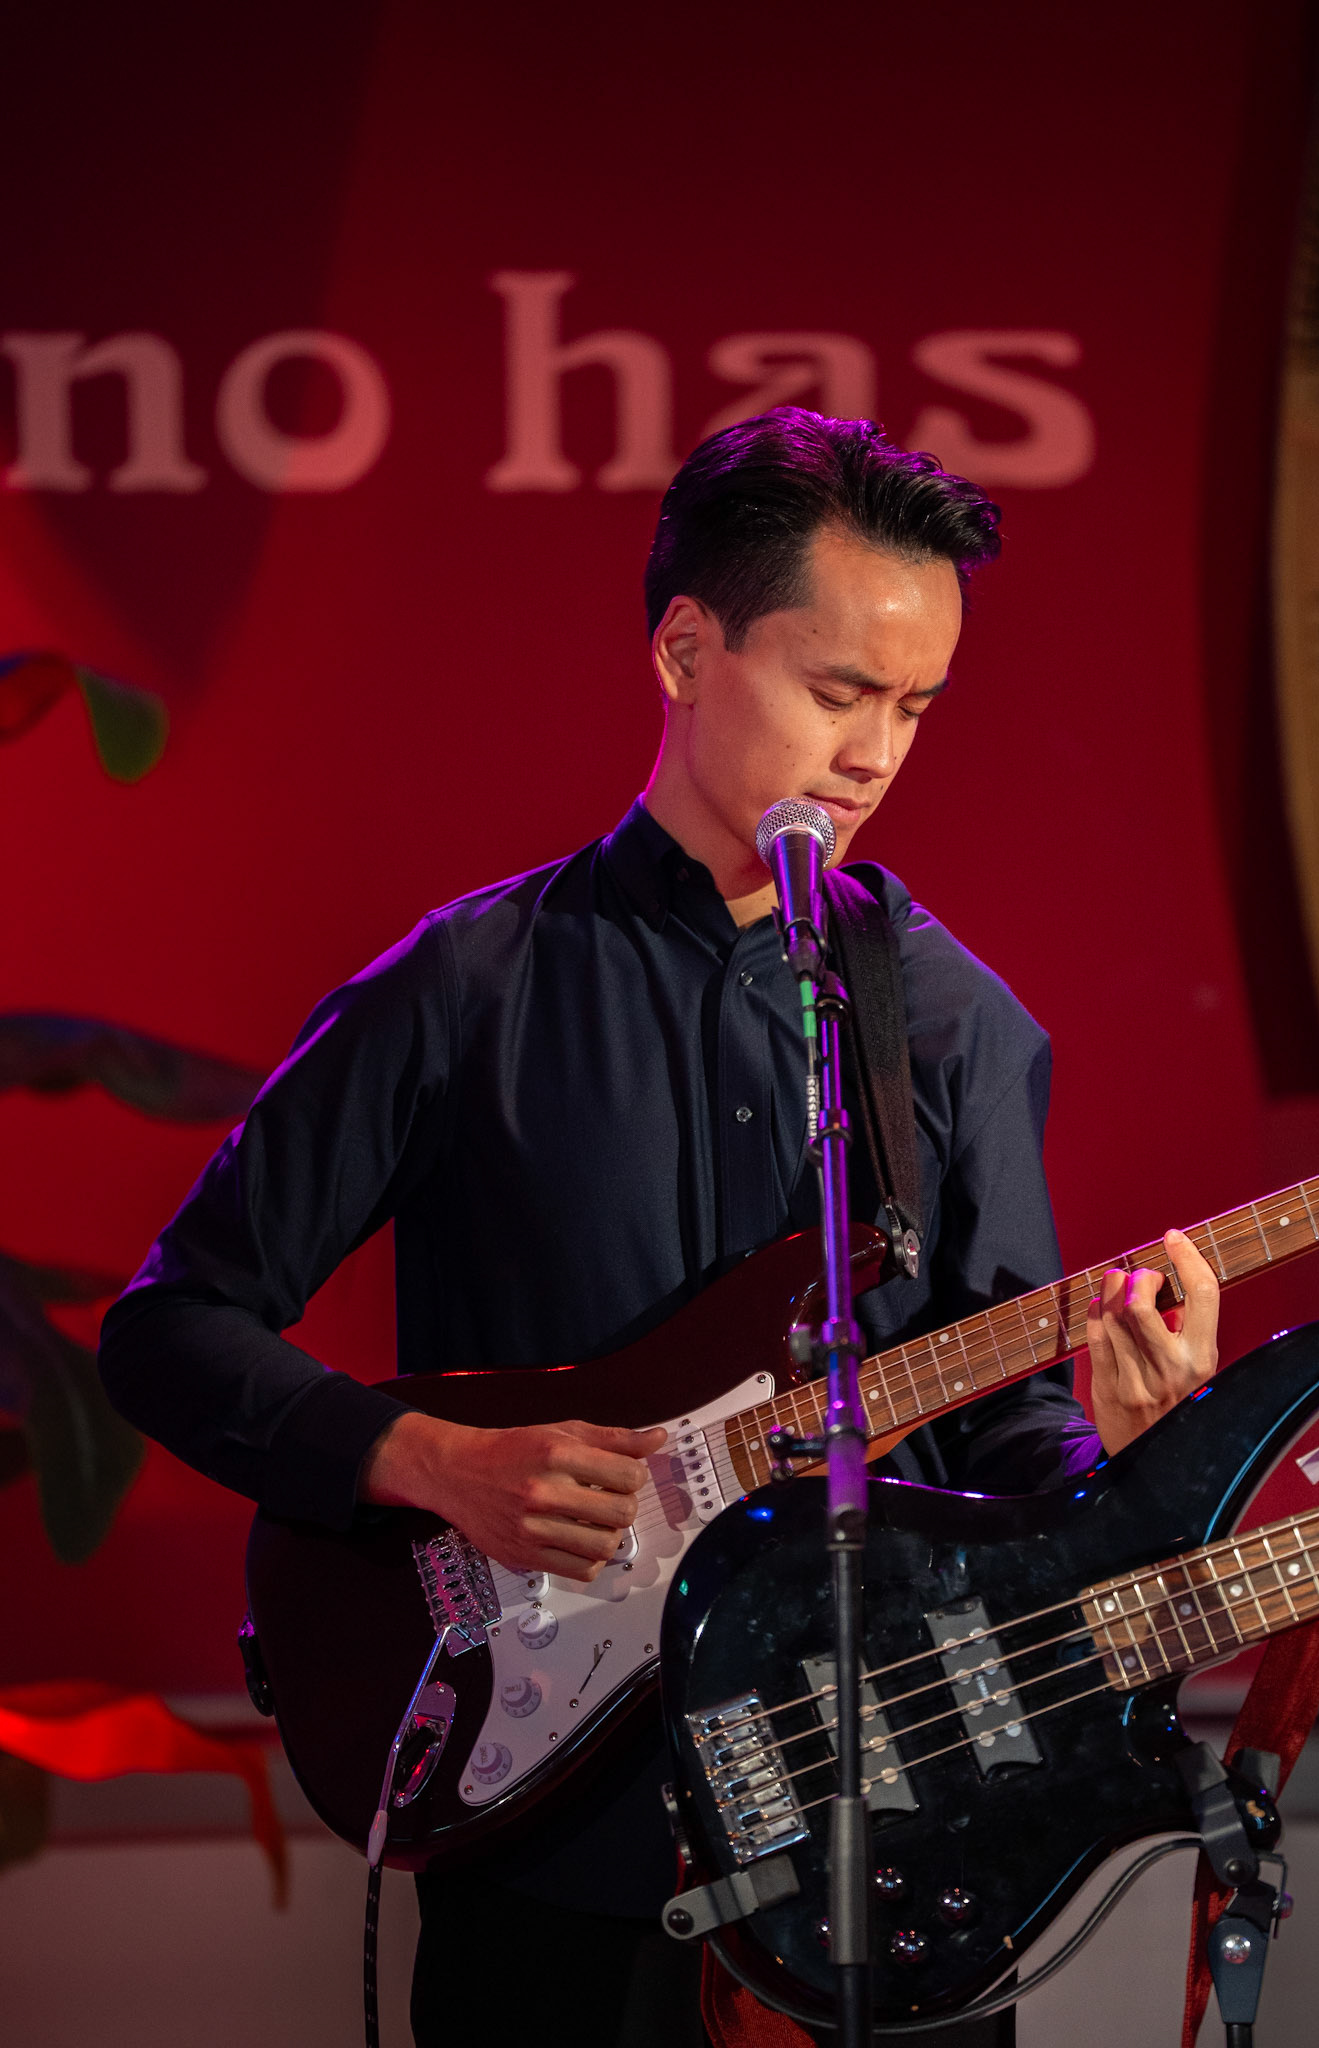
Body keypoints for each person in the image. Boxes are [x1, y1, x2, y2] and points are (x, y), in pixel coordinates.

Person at [98, 408, 1220, 2048]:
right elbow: (168, 1328)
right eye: (838, 691)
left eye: (916, 707)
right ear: (687, 650)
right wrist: (422, 1459)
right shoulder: (467, 990)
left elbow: (1001, 1438)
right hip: (562, 1849)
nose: (876, 753)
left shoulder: (954, 1025)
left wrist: (1113, 1442)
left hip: (884, 1831)